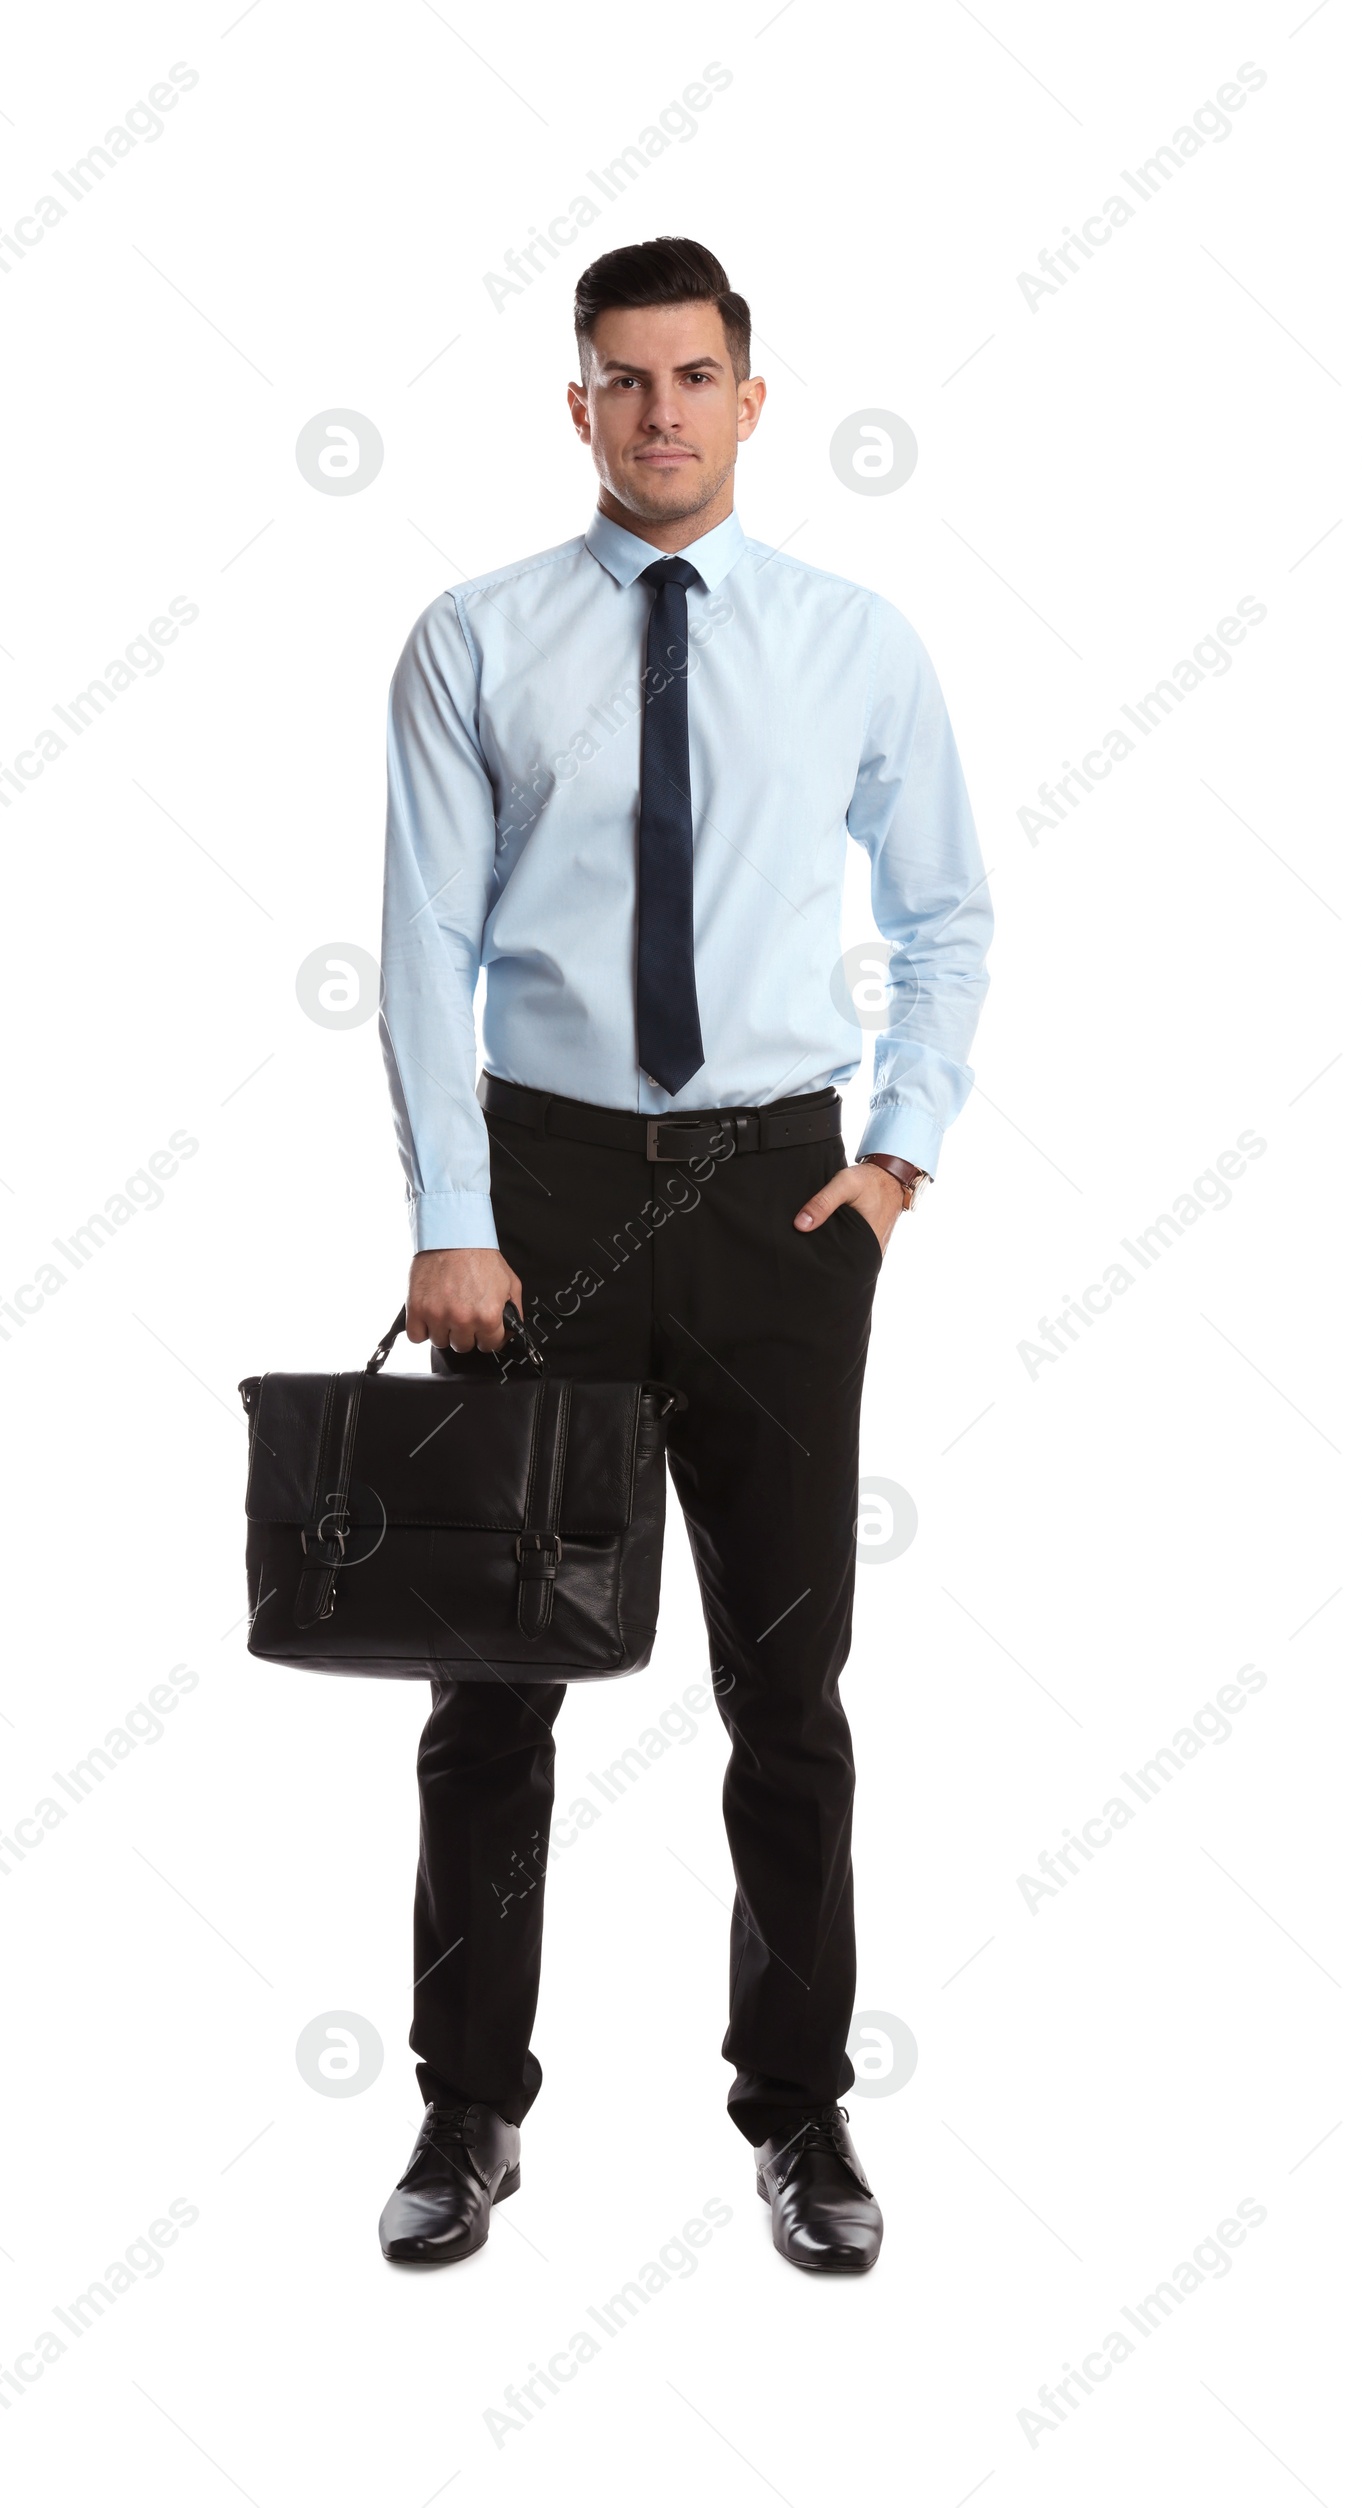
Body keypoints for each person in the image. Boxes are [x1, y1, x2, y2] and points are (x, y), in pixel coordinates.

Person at [374, 236, 991, 2272]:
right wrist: (452, 1218)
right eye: (620, 380)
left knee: (786, 1684)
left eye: (692, 375)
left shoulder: (850, 642)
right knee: (490, 1684)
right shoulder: (473, 640)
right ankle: (467, 2111)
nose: (657, 411)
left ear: (748, 392)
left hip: (770, 1201)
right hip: (539, 1198)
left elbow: (943, 912)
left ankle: (798, 2115)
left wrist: (892, 1159)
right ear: (576, 406)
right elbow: (422, 952)